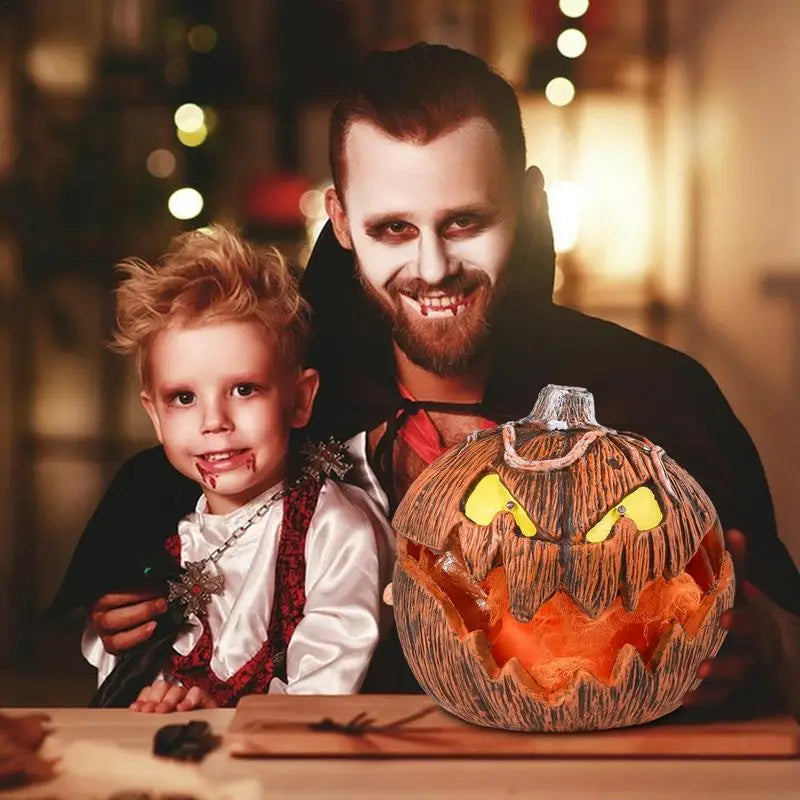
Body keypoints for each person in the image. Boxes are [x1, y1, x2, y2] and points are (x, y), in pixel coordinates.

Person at [53, 44, 800, 713]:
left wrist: (763, 637)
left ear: (531, 203)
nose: (434, 267)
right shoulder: (275, 411)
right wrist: (134, 617)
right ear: (342, 222)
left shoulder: (659, 396)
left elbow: (783, 640)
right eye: (394, 229)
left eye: (466, 222)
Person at [66, 225, 392, 712]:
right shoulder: (158, 534)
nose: (214, 422)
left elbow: (323, 695)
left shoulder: (335, 531)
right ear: (154, 415)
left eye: (244, 389)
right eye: (183, 398)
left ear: (300, 400)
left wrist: (218, 717)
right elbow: (121, 675)